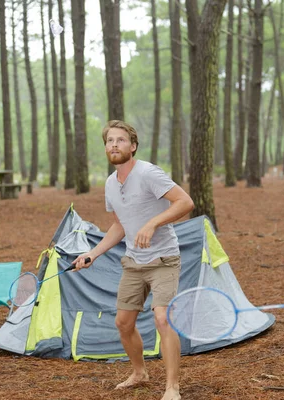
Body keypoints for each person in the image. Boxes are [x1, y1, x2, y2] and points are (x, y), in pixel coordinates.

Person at [73, 120, 194, 400]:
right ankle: (139, 373)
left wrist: (152, 224)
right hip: (133, 262)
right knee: (123, 324)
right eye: (109, 141)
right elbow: (119, 225)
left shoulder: (149, 173)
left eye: (120, 140)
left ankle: (172, 387)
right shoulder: (110, 185)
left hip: (164, 259)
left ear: (133, 146)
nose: (114, 144)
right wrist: (93, 253)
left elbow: (185, 202)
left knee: (163, 318)